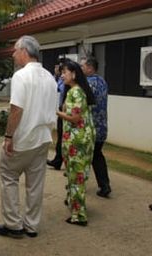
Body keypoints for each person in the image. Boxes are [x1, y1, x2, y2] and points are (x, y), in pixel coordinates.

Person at [0, 35, 58, 239]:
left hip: (24, 138)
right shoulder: (49, 77)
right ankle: (32, 225)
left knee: (8, 175)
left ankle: (13, 224)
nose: (13, 54)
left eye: (15, 50)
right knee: (35, 183)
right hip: (43, 138)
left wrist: (8, 136)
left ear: (24, 51)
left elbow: (16, 110)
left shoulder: (21, 76)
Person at [57, 60, 96, 226]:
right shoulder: (73, 90)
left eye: (64, 72)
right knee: (74, 174)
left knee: (77, 176)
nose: (62, 75)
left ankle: (79, 215)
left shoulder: (76, 92)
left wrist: (57, 112)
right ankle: (73, 202)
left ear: (74, 74)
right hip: (76, 139)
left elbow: (75, 117)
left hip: (78, 141)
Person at [80, 56, 111, 198]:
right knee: (97, 156)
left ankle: (79, 185)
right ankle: (104, 186)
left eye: (83, 66)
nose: (81, 69)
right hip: (102, 126)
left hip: (90, 127)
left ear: (90, 68)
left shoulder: (87, 83)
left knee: (85, 157)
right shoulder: (102, 81)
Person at [47, 58, 69, 170]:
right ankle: (58, 160)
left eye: (63, 69)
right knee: (61, 136)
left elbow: (59, 87)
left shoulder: (68, 81)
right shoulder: (62, 78)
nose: (61, 71)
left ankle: (61, 161)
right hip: (63, 109)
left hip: (66, 111)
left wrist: (58, 76)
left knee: (64, 137)